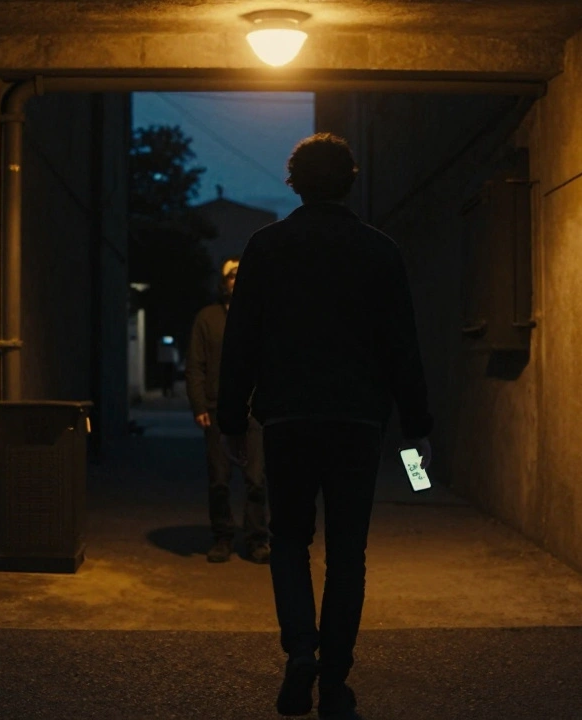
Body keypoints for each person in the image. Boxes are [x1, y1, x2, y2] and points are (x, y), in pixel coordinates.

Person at [217, 133, 432, 720]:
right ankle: (334, 678)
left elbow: (241, 341)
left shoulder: (266, 247)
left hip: (287, 418)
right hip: (358, 421)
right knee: (347, 552)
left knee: (289, 540)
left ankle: (301, 650)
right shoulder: (379, 250)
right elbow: (401, 346)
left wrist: (232, 419)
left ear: (295, 183)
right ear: (350, 181)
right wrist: (418, 427)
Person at [185, 256, 269, 564]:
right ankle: (222, 537)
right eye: (232, 275)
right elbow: (195, 365)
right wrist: (198, 405)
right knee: (219, 479)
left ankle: (258, 539)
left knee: (257, 478)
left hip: (254, 410)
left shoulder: (260, 317)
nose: (237, 279)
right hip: (217, 408)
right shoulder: (207, 319)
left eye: (242, 274)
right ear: (225, 282)